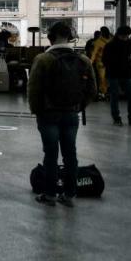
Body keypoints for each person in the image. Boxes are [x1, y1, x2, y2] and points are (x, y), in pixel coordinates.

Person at [27, 22, 97, 207]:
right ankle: (69, 195)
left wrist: (37, 111)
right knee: (70, 154)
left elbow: (33, 90)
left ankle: (49, 195)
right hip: (71, 113)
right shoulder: (83, 60)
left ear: (50, 37)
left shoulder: (43, 59)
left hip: (48, 114)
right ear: (70, 37)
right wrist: (77, 107)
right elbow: (92, 90)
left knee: (50, 154)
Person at [103, 25, 131, 127]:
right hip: (113, 74)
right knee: (114, 96)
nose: (125, 38)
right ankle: (116, 118)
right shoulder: (110, 45)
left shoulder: (130, 44)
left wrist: (130, 61)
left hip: (126, 74)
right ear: (119, 35)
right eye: (124, 36)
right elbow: (104, 60)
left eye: (127, 36)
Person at [90, 26, 111, 98]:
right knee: (102, 78)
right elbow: (94, 53)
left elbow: (94, 53)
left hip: (107, 62)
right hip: (101, 63)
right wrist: (91, 62)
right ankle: (103, 92)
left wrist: (91, 62)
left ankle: (105, 92)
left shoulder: (110, 39)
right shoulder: (99, 42)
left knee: (105, 78)